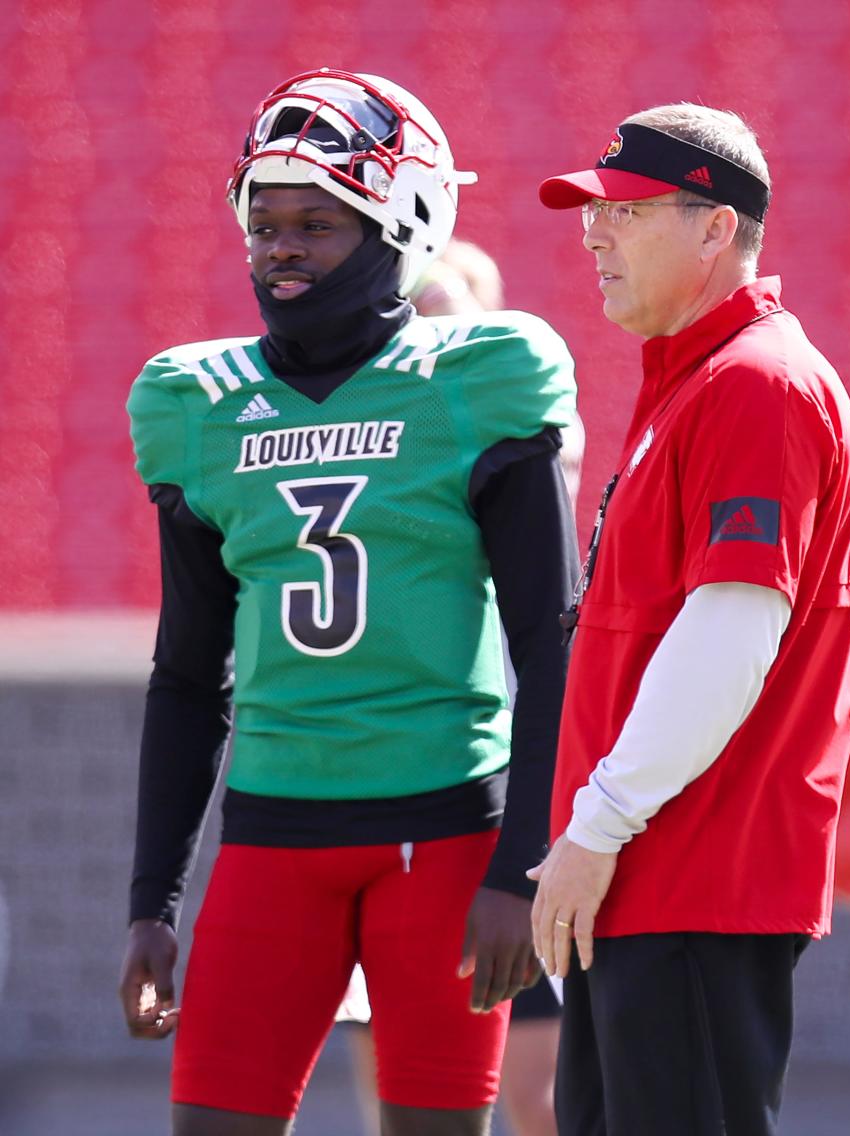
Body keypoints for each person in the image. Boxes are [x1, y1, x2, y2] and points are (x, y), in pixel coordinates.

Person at [118, 68, 579, 1136]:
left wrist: (521, 865)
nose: (281, 247)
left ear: (402, 223)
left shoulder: (480, 376)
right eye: (264, 222)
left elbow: (549, 642)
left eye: (318, 223)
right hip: (272, 830)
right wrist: (153, 898)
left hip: (447, 827)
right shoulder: (198, 403)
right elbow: (189, 672)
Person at [528, 104, 850, 1136]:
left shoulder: (755, 387)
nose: (594, 233)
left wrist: (596, 825)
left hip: (689, 880)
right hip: (650, 881)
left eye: (624, 212)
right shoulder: (702, 382)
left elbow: (731, 631)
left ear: (714, 226)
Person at [338, 237, 582, 1136]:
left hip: (496, 782)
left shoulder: (512, 416)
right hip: (384, 779)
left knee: (537, 1091)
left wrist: (425, 297)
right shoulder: (354, 429)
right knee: (394, 1080)